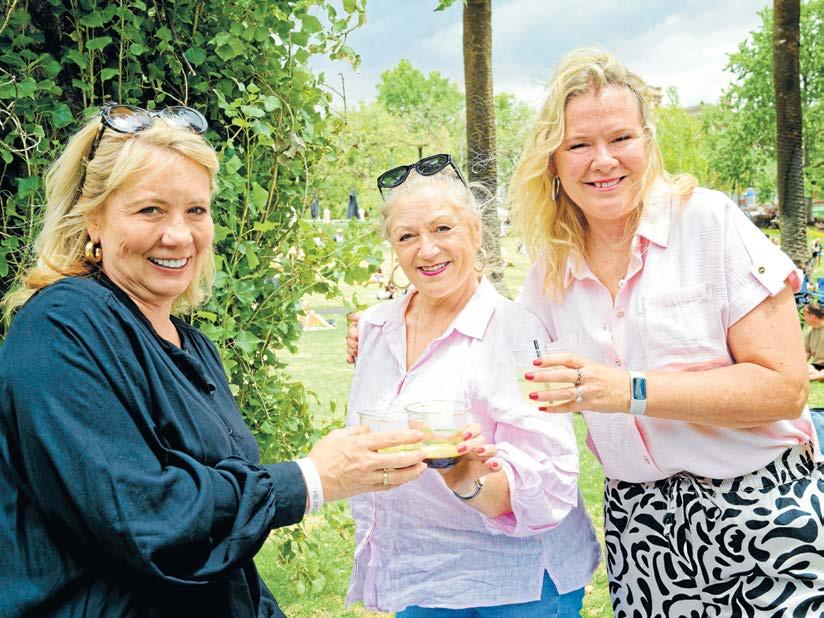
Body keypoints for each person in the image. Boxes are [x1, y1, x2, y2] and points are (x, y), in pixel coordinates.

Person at [349, 50, 824, 615]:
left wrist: (626, 390)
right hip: (642, 526)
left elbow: (785, 389)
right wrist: (385, 326)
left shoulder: (708, 222)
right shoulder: (550, 274)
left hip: (760, 506)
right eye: (578, 145)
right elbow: (489, 334)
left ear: (647, 142)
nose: (602, 160)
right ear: (553, 161)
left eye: (620, 138)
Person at [0, 104, 427, 618]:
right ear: (94, 219)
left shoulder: (192, 346)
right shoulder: (61, 328)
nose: (179, 235)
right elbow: (144, 519)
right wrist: (313, 479)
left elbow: (223, 560)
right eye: (150, 210)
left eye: (196, 211)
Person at [345, 155, 599, 615]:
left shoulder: (515, 330)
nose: (427, 250)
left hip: (517, 587)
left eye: (443, 229)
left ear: (476, 233)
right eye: (407, 236)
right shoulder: (376, 329)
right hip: (420, 579)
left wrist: (467, 477)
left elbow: (550, 482)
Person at [803, 303, 824, 381]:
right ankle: (818, 376)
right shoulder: (810, 331)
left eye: (805, 315)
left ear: (813, 316)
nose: (803, 318)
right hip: (817, 366)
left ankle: (811, 377)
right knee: (803, 370)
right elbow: (807, 352)